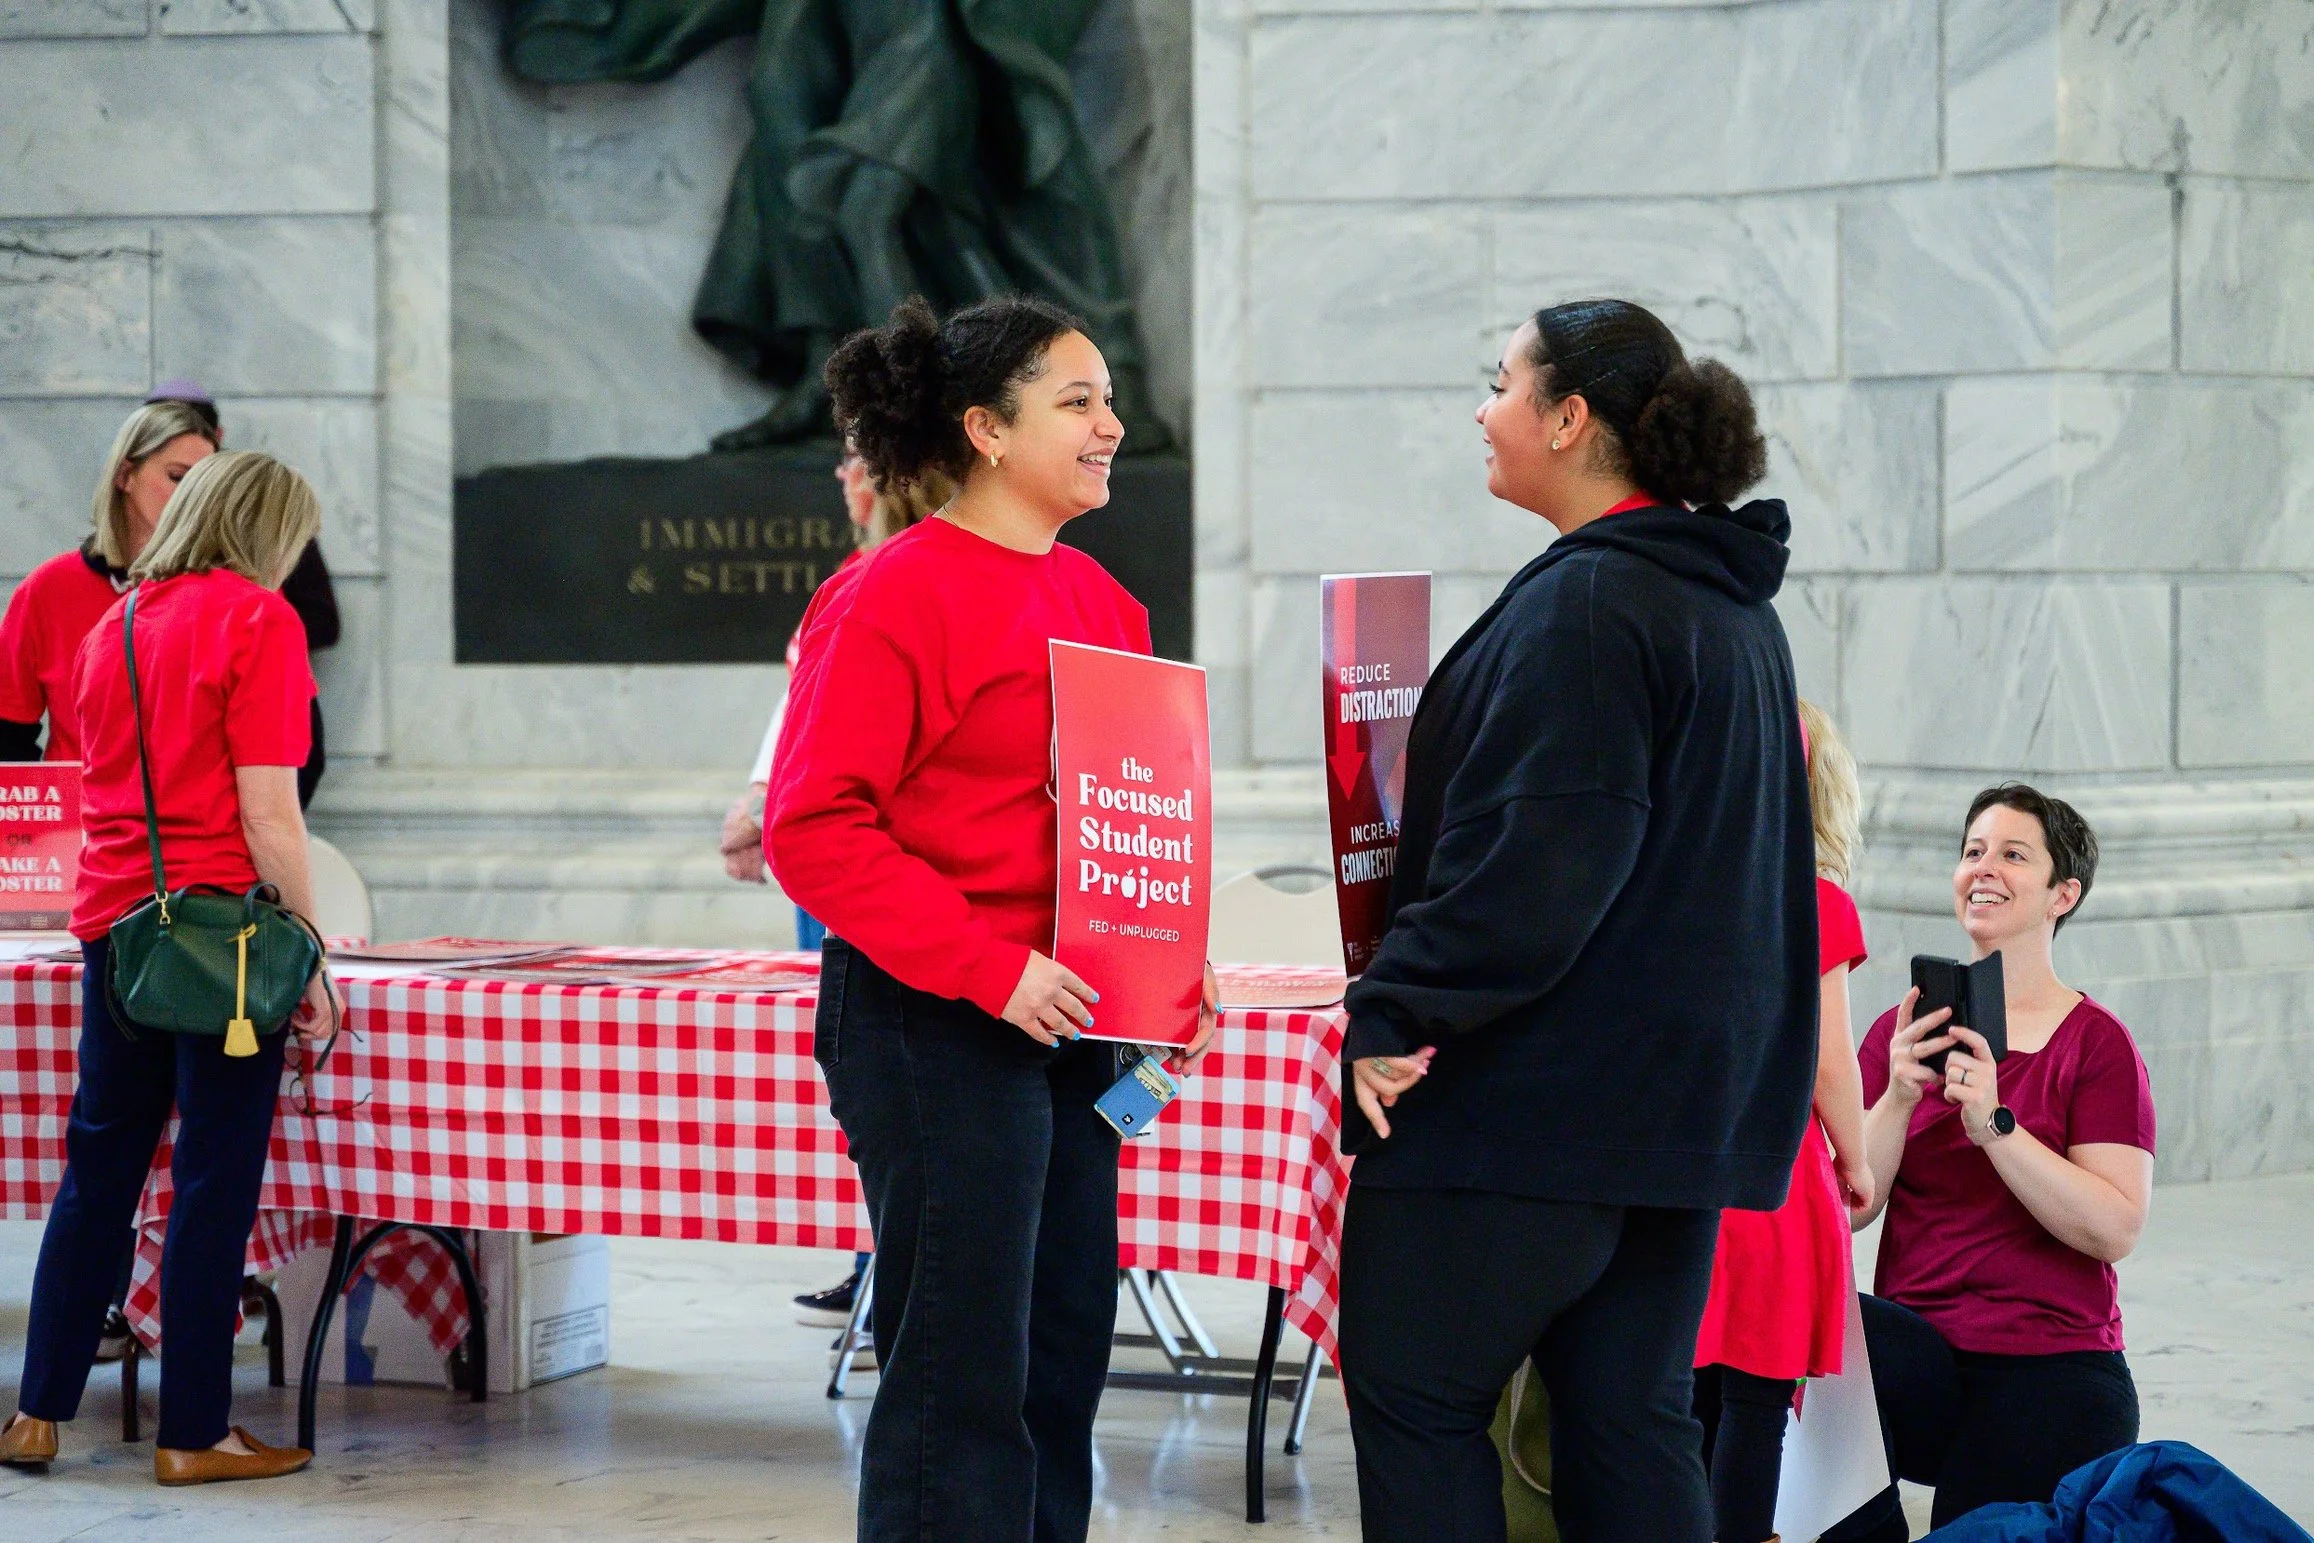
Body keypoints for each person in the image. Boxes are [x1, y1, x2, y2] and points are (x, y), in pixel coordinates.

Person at [1333, 297, 1814, 1543]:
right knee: (1628, 1425)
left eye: (1499, 383)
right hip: (1670, 1121)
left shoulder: (1591, 605)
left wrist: (1389, 1005)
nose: (1481, 412)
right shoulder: (1729, 605)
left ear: (1568, 416)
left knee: (1420, 1407)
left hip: (1532, 1117)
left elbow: (1538, 869)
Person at [768, 294, 1215, 1543]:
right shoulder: (889, 595)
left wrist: (1174, 962)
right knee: (960, 1366)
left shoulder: (1103, 600)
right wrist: (984, 965)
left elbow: (1123, 820)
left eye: (1107, 399)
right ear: (984, 428)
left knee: (1061, 1350)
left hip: (1076, 1024)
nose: (1111, 425)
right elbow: (815, 827)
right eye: (1077, 401)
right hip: (934, 1020)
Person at [0, 451, 345, 1484]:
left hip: (114, 924)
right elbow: (269, 813)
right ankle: (194, 1431)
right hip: (223, 939)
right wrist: (313, 958)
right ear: (268, 532)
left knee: (97, 1173)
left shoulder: (115, 621)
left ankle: (35, 1413)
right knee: (212, 1181)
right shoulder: (258, 619)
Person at [1823, 784, 2154, 1542]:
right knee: (1806, 1322)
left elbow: (2115, 1226)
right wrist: (1898, 1097)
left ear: (2061, 894)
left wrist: (1995, 1126)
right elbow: (1850, 1205)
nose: (1983, 868)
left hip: (2053, 1364)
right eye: (1973, 851)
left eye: (2012, 854)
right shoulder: (1900, 1033)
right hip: (1922, 1350)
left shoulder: (2096, 1043)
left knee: (1975, 1531)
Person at [717, 447, 952, 1329]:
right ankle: (872, 1257)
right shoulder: (858, 578)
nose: (841, 476)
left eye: (856, 458)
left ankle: (886, 1262)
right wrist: (758, 801)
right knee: (861, 1068)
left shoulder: (899, 580)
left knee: (885, 1060)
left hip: (875, 860)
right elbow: (801, 719)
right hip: (830, 846)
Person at [1691, 698, 1876, 1543]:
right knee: (1756, 1400)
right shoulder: (1815, 901)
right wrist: (1861, 1158)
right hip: (1775, 1172)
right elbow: (1830, 1065)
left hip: (1681, 1165)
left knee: (1680, 1394)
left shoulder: (1675, 884)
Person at [138, 381, 339, 809]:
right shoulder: (119, 609)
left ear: (218, 441)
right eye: (175, 475)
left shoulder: (264, 605)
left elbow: (323, 621)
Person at [1, 401, 221, 765]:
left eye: (205, 485)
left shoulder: (236, 592)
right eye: (178, 477)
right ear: (125, 476)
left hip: (193, 820)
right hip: (82, 816)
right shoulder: (48, 589)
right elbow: (8, 734)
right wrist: (54, 814)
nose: (193, 499)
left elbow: (296, 738)